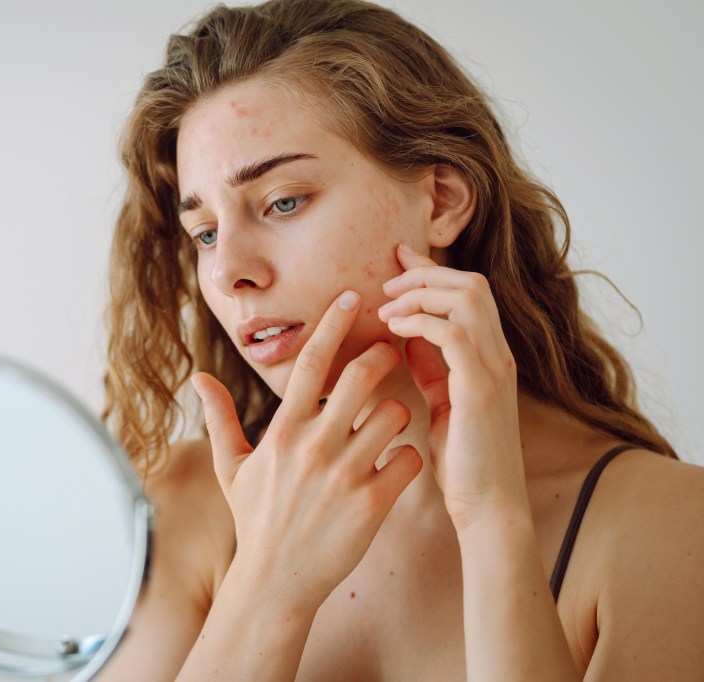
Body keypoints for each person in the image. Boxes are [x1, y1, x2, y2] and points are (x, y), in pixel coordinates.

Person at [98, 1, 704, 679]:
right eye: (205, 232)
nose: (228, 271)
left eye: (283, 202)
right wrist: (268, 583)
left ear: (441, 201)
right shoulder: (187, 503)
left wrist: (491, 520)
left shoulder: (669, 528)